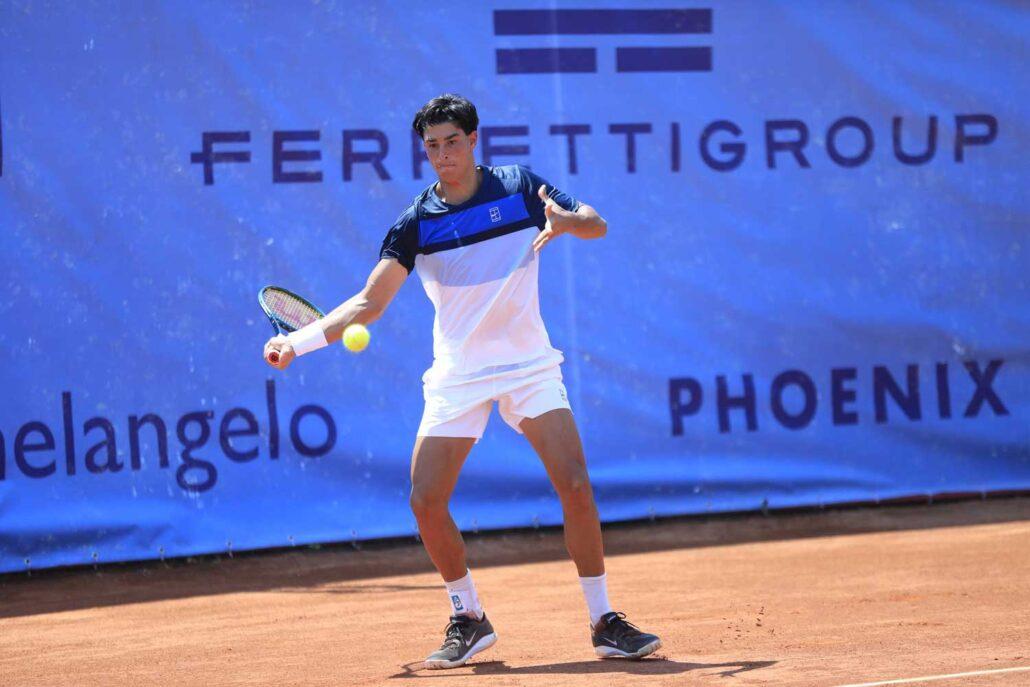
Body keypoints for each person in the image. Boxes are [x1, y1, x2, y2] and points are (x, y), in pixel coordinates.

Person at [263, 94, 661, 669]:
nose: (443, 154)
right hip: (459, 376)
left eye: (453, 142)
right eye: (432, 146)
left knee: (575, 482)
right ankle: (469, 616)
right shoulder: (417, 222)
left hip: (528, 366)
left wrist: (569, 224)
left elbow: (596, 223)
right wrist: (295, 344)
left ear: (474, 140)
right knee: (426, 501)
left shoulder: (522, 186)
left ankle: (604, 621)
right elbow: (370, 302)